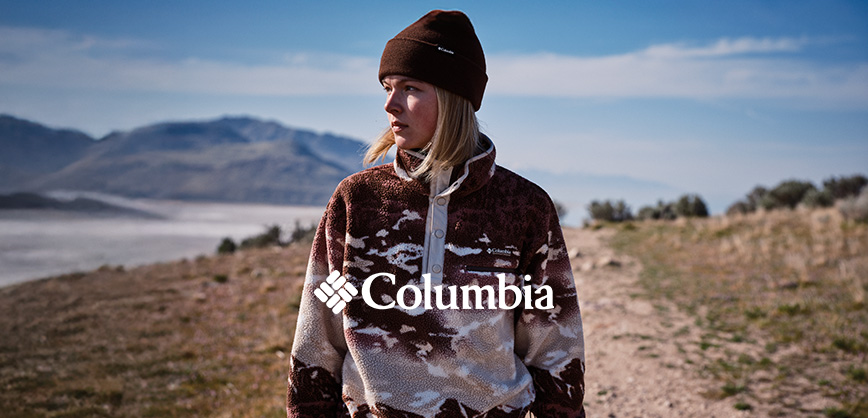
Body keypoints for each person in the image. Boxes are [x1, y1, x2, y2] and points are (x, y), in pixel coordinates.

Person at [287, 10, 585, 417]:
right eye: (387, 87)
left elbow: (554, 350)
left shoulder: (524, 207)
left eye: (410, 87)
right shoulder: (356, 202)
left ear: (453, 97)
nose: (390, 104)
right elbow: (318, 338)